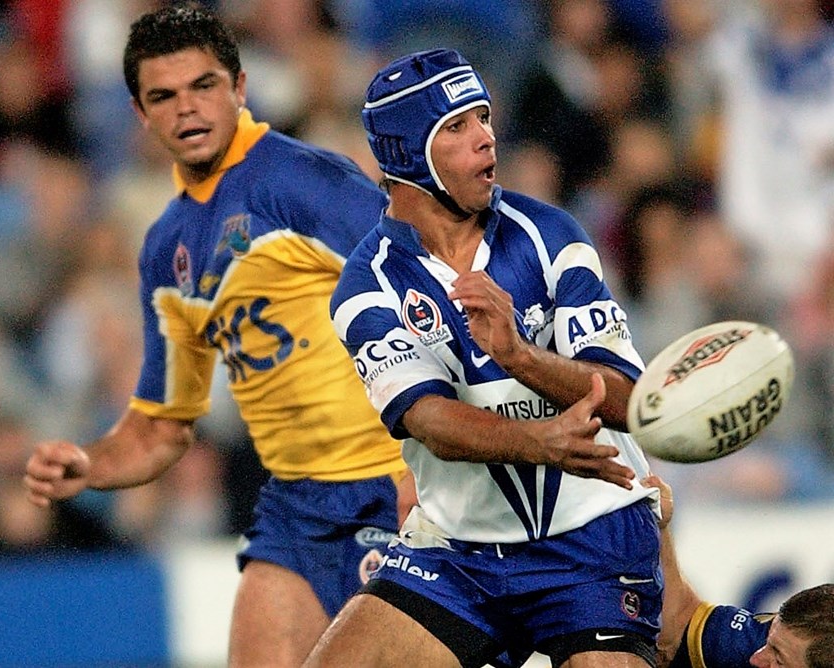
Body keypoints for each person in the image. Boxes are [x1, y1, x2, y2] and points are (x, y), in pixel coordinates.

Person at [22, 4, 414, 667]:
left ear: (239, 87)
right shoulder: (166, 248)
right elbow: (160, 429)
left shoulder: (305, 183)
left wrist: (426, 463)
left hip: (397, 486)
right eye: (163, 97)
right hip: (296, 506)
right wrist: (89, 465)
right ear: (141, 117)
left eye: (203, 86)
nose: (186, 109)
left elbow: (430, 295)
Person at [305, 48, 662, 668]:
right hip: (458, 553)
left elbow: (630, 399)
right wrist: (539, 441)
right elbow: (430, 422)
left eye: (485, 118)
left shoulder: (552, 236)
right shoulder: (369, 285)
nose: (486, 140)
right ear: (405, 155)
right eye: (457, 127)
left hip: (592, 539)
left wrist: (518, 355)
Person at [647, 475, 834, 668]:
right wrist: (657, 523)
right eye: (769, 644)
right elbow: (678, 623)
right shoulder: (760, 644)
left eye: (779, 660)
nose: (756, 659)